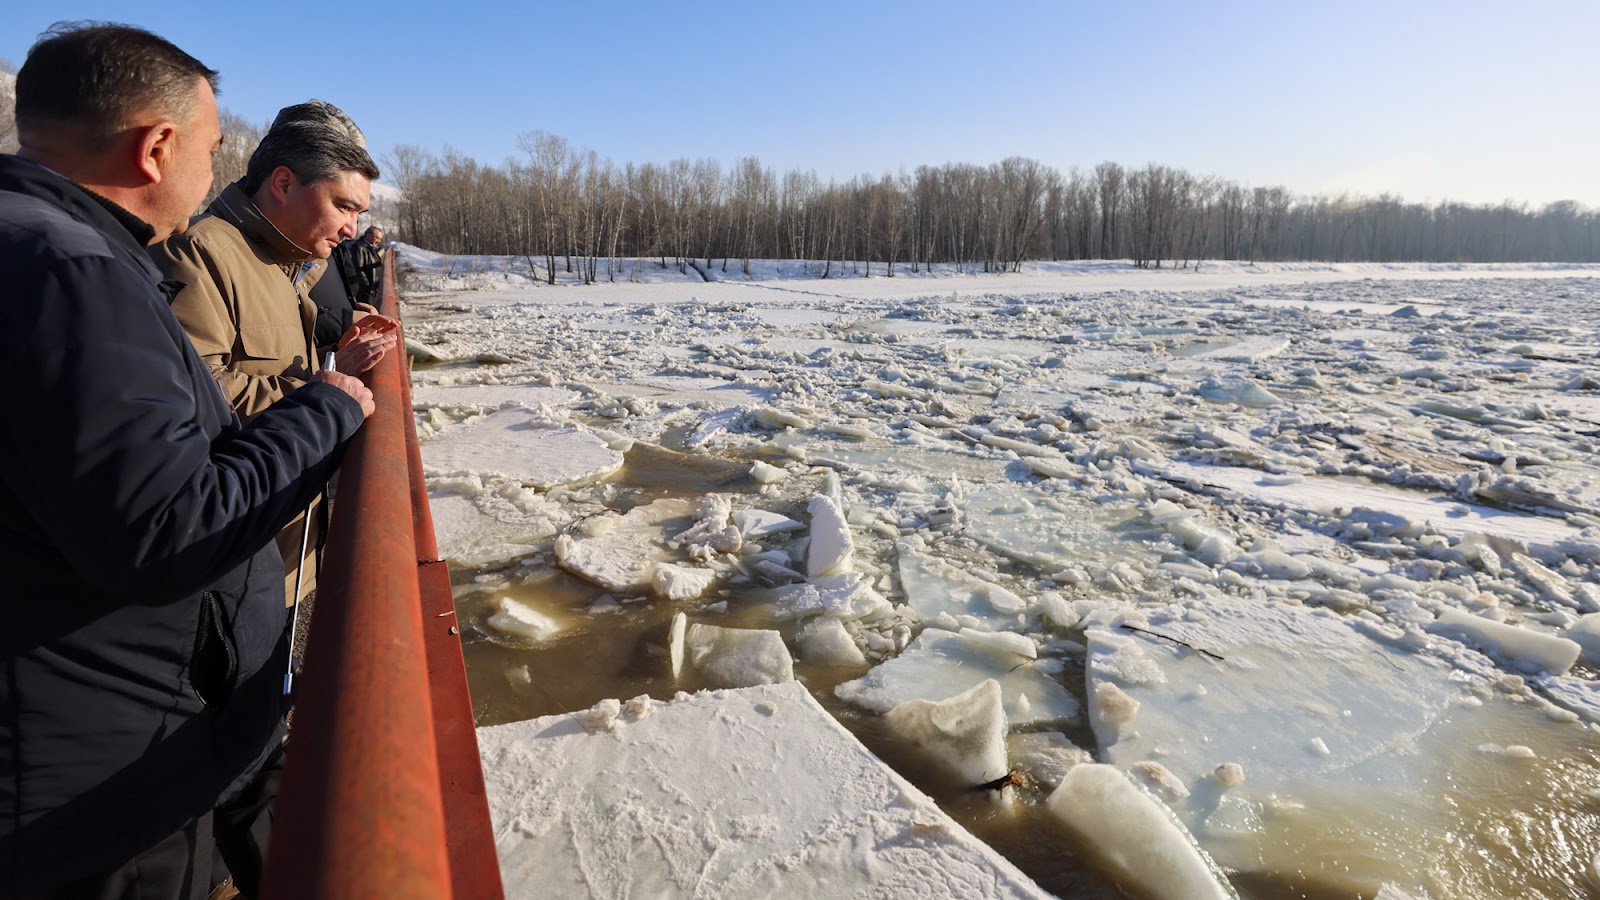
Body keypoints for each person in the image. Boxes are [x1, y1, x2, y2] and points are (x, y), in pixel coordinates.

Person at [0, 22, 377, 899]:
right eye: (212, 151)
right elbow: (164, 527)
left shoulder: (42, 248)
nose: (213, 176)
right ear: (158, 146)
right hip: (108, 786)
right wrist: (330, 403)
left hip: (104, 740)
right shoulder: (71, 272)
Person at [152, 101, 396, 607]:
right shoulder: (199, 255)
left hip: (278, 552)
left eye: (359, 213)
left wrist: (337, 358)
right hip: (229, 572)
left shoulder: (286, 263)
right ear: (283, 184)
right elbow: (193, 400)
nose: (353, 228)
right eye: (344, 206)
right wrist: (326, 395)